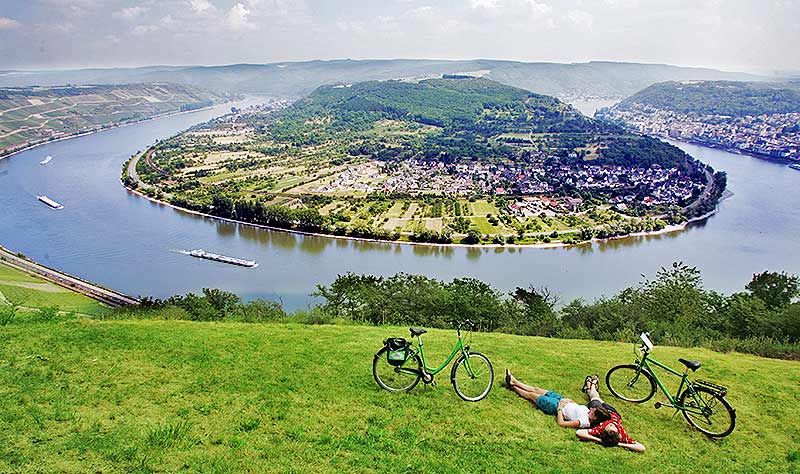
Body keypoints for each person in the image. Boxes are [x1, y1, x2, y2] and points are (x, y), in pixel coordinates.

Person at [504, 370, 612, 429]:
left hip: (556, 406)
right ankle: (515, 381)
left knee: (532, 395)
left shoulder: (584, 422)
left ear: (595, 418)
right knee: (536, 389)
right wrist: (570, 401)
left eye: (593, 411)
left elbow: (561, 423)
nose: (592, 409)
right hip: (562, 400)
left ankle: (513, 387)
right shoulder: (588, 412)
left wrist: (560, 408)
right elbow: (577, 408)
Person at [575, 376, 646, 453]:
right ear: (618, 433)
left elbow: (579, 432)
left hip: (599, 412)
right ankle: (591, 387)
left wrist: (599, 440)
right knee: (598, 399)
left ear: (603, 431)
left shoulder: (599, 429)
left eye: (609, 426)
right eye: (613, 427)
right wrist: (620, 444)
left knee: (595, 398)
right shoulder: (622, 436)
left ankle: (591, 386)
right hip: (613, 412)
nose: (611, 424)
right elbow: (641, 448)